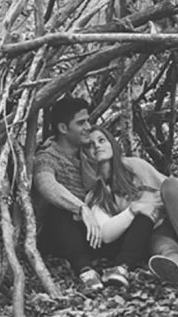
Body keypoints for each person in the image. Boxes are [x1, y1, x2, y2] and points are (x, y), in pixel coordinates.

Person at [32, 96, 155, 291]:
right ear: (63, 128)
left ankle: (121, 268)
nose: (88, 126)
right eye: (81, 123)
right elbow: (45, 184)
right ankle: (85, 270)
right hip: (61, 234)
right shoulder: (47, 157)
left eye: (88, 121)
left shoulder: (86, 154)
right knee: (56, 212)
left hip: (95, 231)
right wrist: (81, 208)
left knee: (143, 218)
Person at [85, 126, 178, 287]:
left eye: (101, 140)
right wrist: (133, 210)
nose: (97, 146)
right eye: (90, 145)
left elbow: (173, 191)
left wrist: (147, 204)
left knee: (170, 184)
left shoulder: (135, 166)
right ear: (85, 154)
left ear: (112, 144)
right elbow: (106, 233)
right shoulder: (96, 194)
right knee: (165, 250)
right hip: (157, 229)